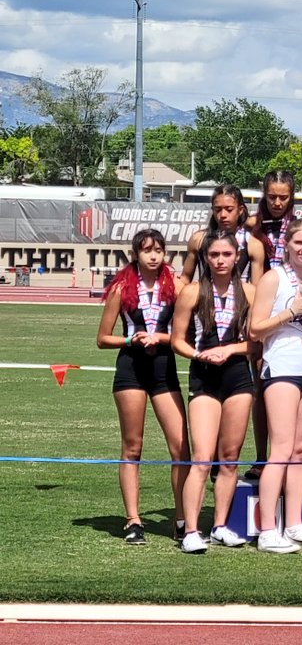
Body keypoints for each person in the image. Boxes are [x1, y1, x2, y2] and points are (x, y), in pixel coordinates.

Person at [96, 229, 189, 544]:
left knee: (180, 447)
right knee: (132, 447)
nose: (153, 255)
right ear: (135, 253)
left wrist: (160, 338)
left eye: (159, 250)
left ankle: (181, 518)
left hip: (164, 369)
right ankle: (133, 520)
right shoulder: (122, 288)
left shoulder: (176, 286)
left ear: (165, 253)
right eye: (147, 250)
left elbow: (185, 336)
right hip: (131, 370)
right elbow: (102, 338)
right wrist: (129, 338)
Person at [249, 218, 302, 553]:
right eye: (299, 243)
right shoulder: (274, 279)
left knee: (301, 450)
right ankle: (268, 529)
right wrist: (291, 312)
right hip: (282, 367)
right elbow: (256, 329)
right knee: (282, 449)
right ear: (288, 244)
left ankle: (295, 523)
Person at [170, 230, 255, 553]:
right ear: (206, 257)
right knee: (202, 457)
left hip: (236, 376)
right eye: (214, 255)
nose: (220, 261)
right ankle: (191, 530)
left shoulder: (248, 291)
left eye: (226, 255)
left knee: (230, 458)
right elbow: (177, 339)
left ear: (237, 257)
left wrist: (230, 349)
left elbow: (256, 341)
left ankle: (220, 525)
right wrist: (198, 354)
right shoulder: (192, 292)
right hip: (204, 376)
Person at [245, 170, 297, 481]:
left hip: (295, 311)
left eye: (284, 197)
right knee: (261, 386)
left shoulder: (300, 227)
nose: (277, 202)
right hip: (263, 308)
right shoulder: (253, 227)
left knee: (292, 385)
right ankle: (262, 457)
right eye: (272, 196)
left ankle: (287, 456)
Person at [180, 184, 264, 285]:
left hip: (240, 298)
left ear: (240, 210)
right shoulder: (198, 239)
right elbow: (184, 279)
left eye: (229, 209)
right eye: (218, 209)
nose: (223, 215)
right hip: (206, 297)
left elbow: (256, 288)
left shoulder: (253, 244)